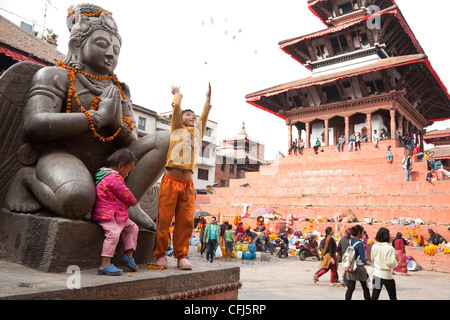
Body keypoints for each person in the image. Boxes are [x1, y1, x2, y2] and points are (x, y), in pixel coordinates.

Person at [2, 4, 170, 232]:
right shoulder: (55, 76)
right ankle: (28, 179)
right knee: (77, 201)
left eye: (116, 49)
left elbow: (131, 144)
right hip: (63, 156)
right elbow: (34, 124)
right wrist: (97, 117)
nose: (111, 53)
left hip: (108, 162)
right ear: (77, 45)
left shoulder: (120, 90)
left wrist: (116, 123)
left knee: (167, 140)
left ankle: (130, 202)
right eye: (102, 44)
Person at [153, 83, 212, 270]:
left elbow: (204, 116)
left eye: (193, 116)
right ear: (181, 119)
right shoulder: (176, 128)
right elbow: (177, 109)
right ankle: (161, 254)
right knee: (164, 219)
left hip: (188, 184)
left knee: (186, 222)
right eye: (189, 115)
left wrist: (208, 100)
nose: (192, 117)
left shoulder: (197, 133)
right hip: (170, 181)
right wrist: (178, 95)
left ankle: (181, 256)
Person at [92, 149, 139, 276]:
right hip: (108, 214)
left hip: (117, 214)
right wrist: (133, 201)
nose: (128, 174)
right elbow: (125, 193)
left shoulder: (105, 175)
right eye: (128, 171)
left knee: (133, 228)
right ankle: (105, 264)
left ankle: (128, 256)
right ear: (121, 166)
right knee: (113, 234)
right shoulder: (114, 177)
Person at [344, 225, 371, 300]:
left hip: (350, 266)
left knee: (350, 288)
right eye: (362, 232)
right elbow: (363, 259)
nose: (363, 233)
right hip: (359, 267)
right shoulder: (360, 243)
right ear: (359, 233)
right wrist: (370, 263)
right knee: (365, 287)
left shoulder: (350, 241)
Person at [370, 228, 398, 300]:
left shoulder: (374, 246)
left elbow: (372, 259)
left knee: (374, 296)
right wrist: (396, 261)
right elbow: (390, 262)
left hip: (377, 274)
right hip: (387, 276)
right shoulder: (389, 248)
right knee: (392, 297)